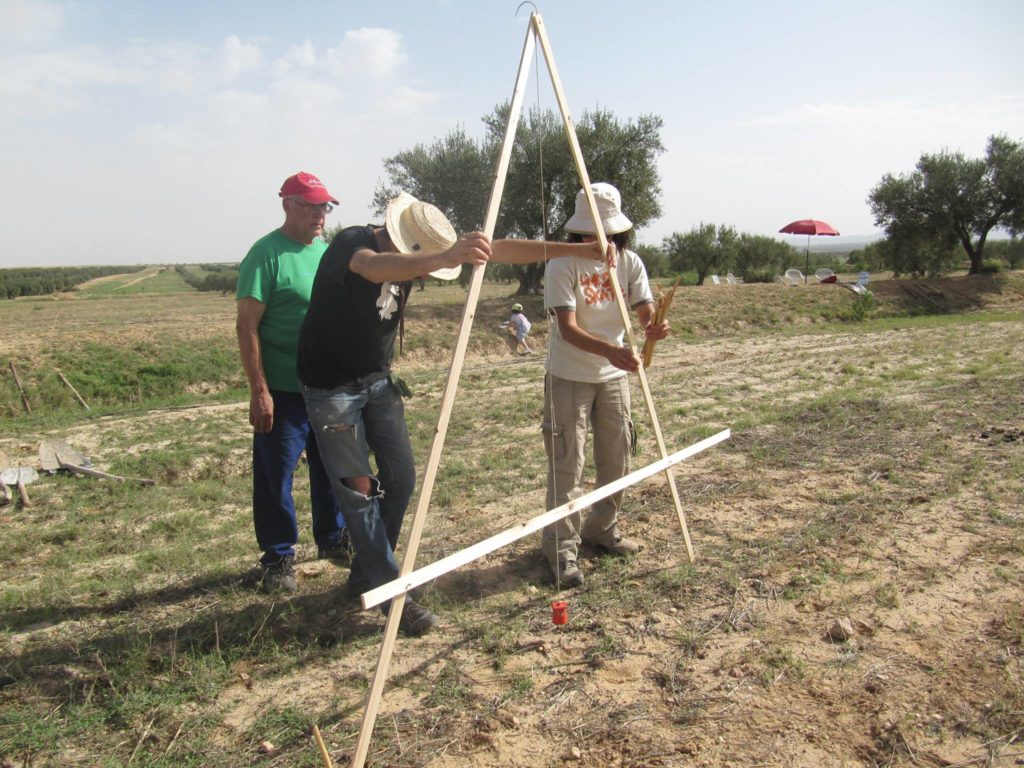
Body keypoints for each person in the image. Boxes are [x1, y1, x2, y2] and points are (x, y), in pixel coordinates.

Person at [297, 192, 608, 636]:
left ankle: (369, 571)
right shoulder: (352, 241)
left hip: (377, 380)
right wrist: (442, 256)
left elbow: (499, 248)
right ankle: (393, 595)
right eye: (424, 258)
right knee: (360, 493)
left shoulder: (416, 254)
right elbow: (370, 267)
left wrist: (579, 249)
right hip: (331, 390)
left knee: (401, 478)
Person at [541, 182, 670, 588]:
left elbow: (643, 305)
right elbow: (568, 328)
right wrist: (609, 350)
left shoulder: (629, 261)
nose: (601, 239)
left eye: (608, 232)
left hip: (615, 376)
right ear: (579, 231)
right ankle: (560, 548)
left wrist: (653, 323)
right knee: (568, 465)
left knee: (617, 458)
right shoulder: (562, 264)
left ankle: (602, 528)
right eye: (592, 231)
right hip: (569, 376)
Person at [236, 171, 349, 594]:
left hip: (325, 386)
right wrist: (259, 390)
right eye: (312, 206)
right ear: (288, 205)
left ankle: (334, 538)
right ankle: (279, 557)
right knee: (275, 475)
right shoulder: (265, 256)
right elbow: (247, 327)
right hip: (282, 391)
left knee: (332, 467)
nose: (321, 215)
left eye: (325, 206)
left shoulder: (326, 252)